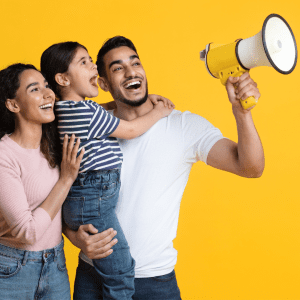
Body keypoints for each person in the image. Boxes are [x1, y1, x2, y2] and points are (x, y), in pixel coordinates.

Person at [67, 36, 264, 300]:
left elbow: (250, 166)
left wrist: (242, 113)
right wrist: (73, 236)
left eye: (135, 63)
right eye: (117, 68)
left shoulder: (183, 126)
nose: (130, 72)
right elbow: (57, 192)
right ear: (103, 83)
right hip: (93, 277)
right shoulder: (91, 129)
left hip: (155, 283)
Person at [40, 41, 174, 300]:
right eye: (84, 62)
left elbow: (108, 113)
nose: (93, 67)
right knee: (122, 273)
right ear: (62, 78)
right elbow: (132, 129)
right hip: (96, 200)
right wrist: (158, 111)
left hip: (83, 198)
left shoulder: (65, 111)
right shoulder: (88, 112)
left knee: (112, 270)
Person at [0, 63, 85, 299]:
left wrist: (150, 105)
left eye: (47, 86)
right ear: (13, 104)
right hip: (12, 270)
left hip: (56, 264)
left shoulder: (55, 143)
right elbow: (27, 232)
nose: (49, 93)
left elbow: (91, 114)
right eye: (34, 89)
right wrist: (66, 180)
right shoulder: (4, 156)